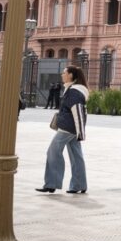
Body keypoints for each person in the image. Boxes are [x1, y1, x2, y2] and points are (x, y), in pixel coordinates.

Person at [37, 65, 89, 194]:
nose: (62, 75)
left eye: (64, 72)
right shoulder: (72, 90)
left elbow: (78, 111)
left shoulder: (74, 91)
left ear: (71, 75)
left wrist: (81, 132)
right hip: (72, 128)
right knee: (76, 156)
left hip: (67, 128)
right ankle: (79, 185)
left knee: (53, 152)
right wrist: (79, 132)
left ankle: (52, 183)